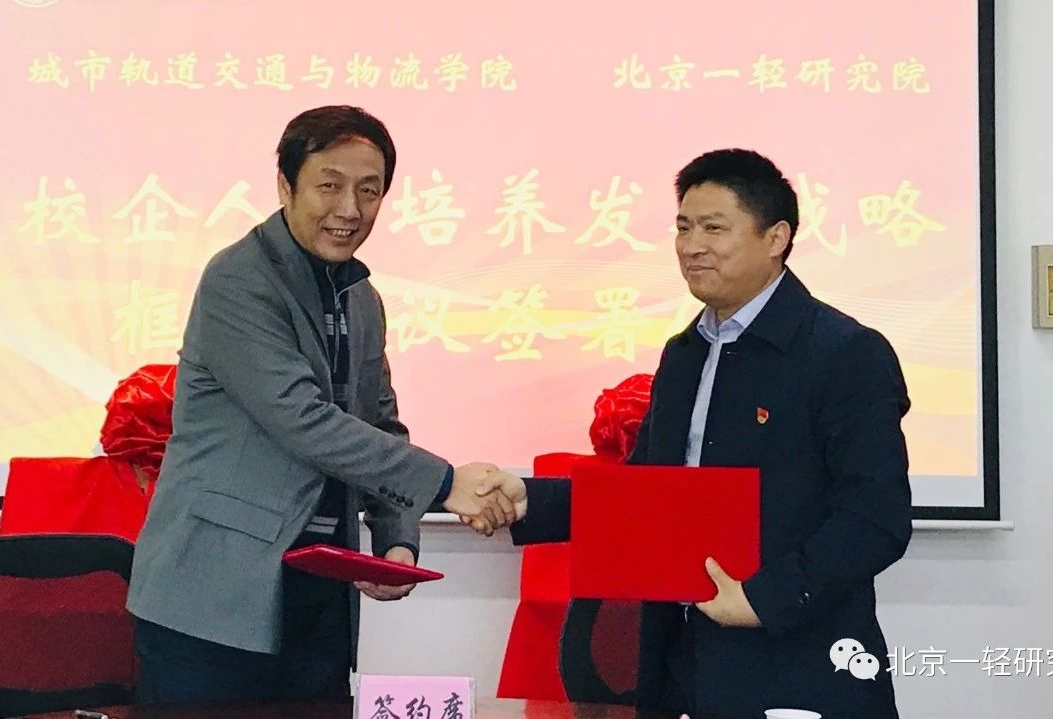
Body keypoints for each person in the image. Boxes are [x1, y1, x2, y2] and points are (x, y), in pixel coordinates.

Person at [477, 149, 912, 719]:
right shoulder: (684, 355)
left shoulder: (844, 353)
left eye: (714, 228)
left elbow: (875, 519)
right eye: (683, 228)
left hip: (800, 664)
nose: (691, 246)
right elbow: (643, 495)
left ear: (776, 237)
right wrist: (527, 499)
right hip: (683, 665)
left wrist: (763, 599)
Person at [127, 105, 518, 704]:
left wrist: (395, 539)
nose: (350, 209)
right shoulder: (238, 279)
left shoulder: (362, 298)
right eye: (329, 186)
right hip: (214, 593)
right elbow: (302, 420)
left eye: (369, 191)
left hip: (320, 590)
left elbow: (379, 422)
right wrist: (445, 484)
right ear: (285, 186)